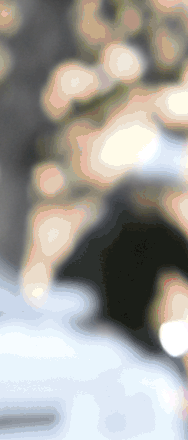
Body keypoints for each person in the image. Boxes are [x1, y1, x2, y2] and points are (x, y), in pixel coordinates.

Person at [59, 132, 188, 357]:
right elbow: (71, 280)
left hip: (136, 330)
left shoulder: (158, 229)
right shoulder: (108, 227)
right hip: (99, 331)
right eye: (156, 189)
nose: (161, 196)